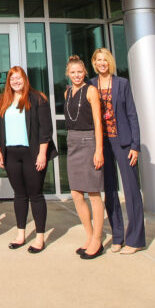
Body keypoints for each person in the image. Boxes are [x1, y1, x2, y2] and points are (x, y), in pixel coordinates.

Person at [0, 67, 57, 254]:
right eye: (12, 79)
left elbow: (46, 129)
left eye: (18, 78)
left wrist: (42, 153)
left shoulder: (37, 99)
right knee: (19, 195)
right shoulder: (2, 101)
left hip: (33, 154)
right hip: (11, 154)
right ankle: (20, 234)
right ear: (8, 82)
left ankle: (39, 237)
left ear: (25, 79)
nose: (16, 81)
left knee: (35, 194)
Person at [90, 48, 146, 254]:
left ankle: (136, 239)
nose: (102, 63)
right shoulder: (91, 85)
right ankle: (118, 236)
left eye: (105, 60)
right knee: (110, 191)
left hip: (122, 142)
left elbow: (132, 114)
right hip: (102, 144)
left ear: (110, 62)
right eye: (98, 60)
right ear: (94, 63)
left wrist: (135, 146)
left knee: (131, 191)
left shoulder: (122, 84)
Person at [62, 54, 105, 259]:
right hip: (72, 142)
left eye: (80, 72)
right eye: (73, 72)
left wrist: (99, 150)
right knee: (77, 193)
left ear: (85, 72)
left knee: (93, 192)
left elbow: (98, 122)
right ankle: (89, 236)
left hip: (89, 142)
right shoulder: (67, 92)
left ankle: (97, 239)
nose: (77, 75)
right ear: (68, 74)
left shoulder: (91, 91)